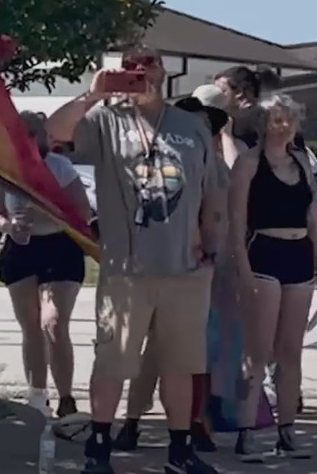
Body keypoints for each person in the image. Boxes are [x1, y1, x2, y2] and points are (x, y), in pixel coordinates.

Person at [46, 47, 225, 474]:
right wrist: (91, 95)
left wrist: (212, 248)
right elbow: (54, 132)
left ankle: (180, 451)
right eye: (132, 66)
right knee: (113, 364)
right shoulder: (106, 120)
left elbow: (212, 190)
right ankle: (100, 449)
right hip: (128, 271)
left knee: (181, 366)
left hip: (185, 269)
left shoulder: (191, 124)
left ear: (163, 72)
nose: (141, 72)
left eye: (150, 64)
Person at [115, 84, 234, 454]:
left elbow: (220, 216)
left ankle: (192, 424)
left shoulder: (212, 163)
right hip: (157, 265)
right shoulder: (161, 161)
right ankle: (133, 421)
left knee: (192, 353)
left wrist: (213, 260)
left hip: (196, 270)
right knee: (151, 352)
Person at [227, 93, 317, 462]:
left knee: (291, 352)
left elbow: (314, 219)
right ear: (262, 123)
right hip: (263, 255)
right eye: (276, 119)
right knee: (257, 352)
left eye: (289, 119)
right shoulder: (248, 163)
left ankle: (286, 430)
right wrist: (242, 272)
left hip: (299, 256)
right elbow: (237, 224)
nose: (284, 126)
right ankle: (246, 431)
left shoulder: (302, 161)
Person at [0, 112, 92, 418]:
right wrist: (8, 226)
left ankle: (66, 396)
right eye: (25, 135)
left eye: (36, 134)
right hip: (20, 248)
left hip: (59, 245)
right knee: (31, 325)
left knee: (54, 323)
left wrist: (48, 215)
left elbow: (83, 212)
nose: (32, 141)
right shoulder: (4, 167)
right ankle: (37, 396)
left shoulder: (60, 167)